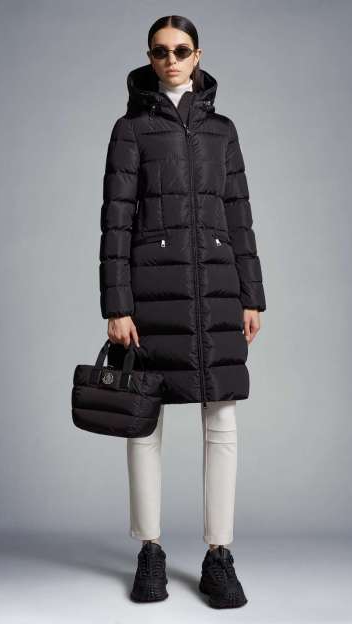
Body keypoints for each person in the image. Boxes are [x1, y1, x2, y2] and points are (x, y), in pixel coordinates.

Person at [99, 15, 266, 609]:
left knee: (222, 420)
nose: (170, 60)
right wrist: (116, 304)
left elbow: (239, 212)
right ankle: (150, 550)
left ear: (198, 55)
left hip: (217, 288)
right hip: (150, 293)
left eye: (181, 50)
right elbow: (115, 222)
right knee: (143, 420)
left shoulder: (223, 130)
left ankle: (219, 555)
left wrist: (252, 294)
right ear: (149, 58)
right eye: (160, 51)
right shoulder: (130, 130)